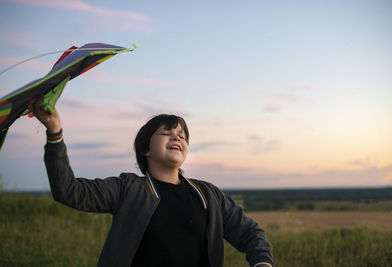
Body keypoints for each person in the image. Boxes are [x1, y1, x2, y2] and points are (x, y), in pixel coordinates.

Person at [28, 96, 274, 267]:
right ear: (146, 149)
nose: (177, 138)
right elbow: (68, 191)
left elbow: (251, 233)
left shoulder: (208, 194)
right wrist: (54, 132)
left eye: (182, 136)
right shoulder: (128, 189)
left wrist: (262, 261)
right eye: (167, 133)